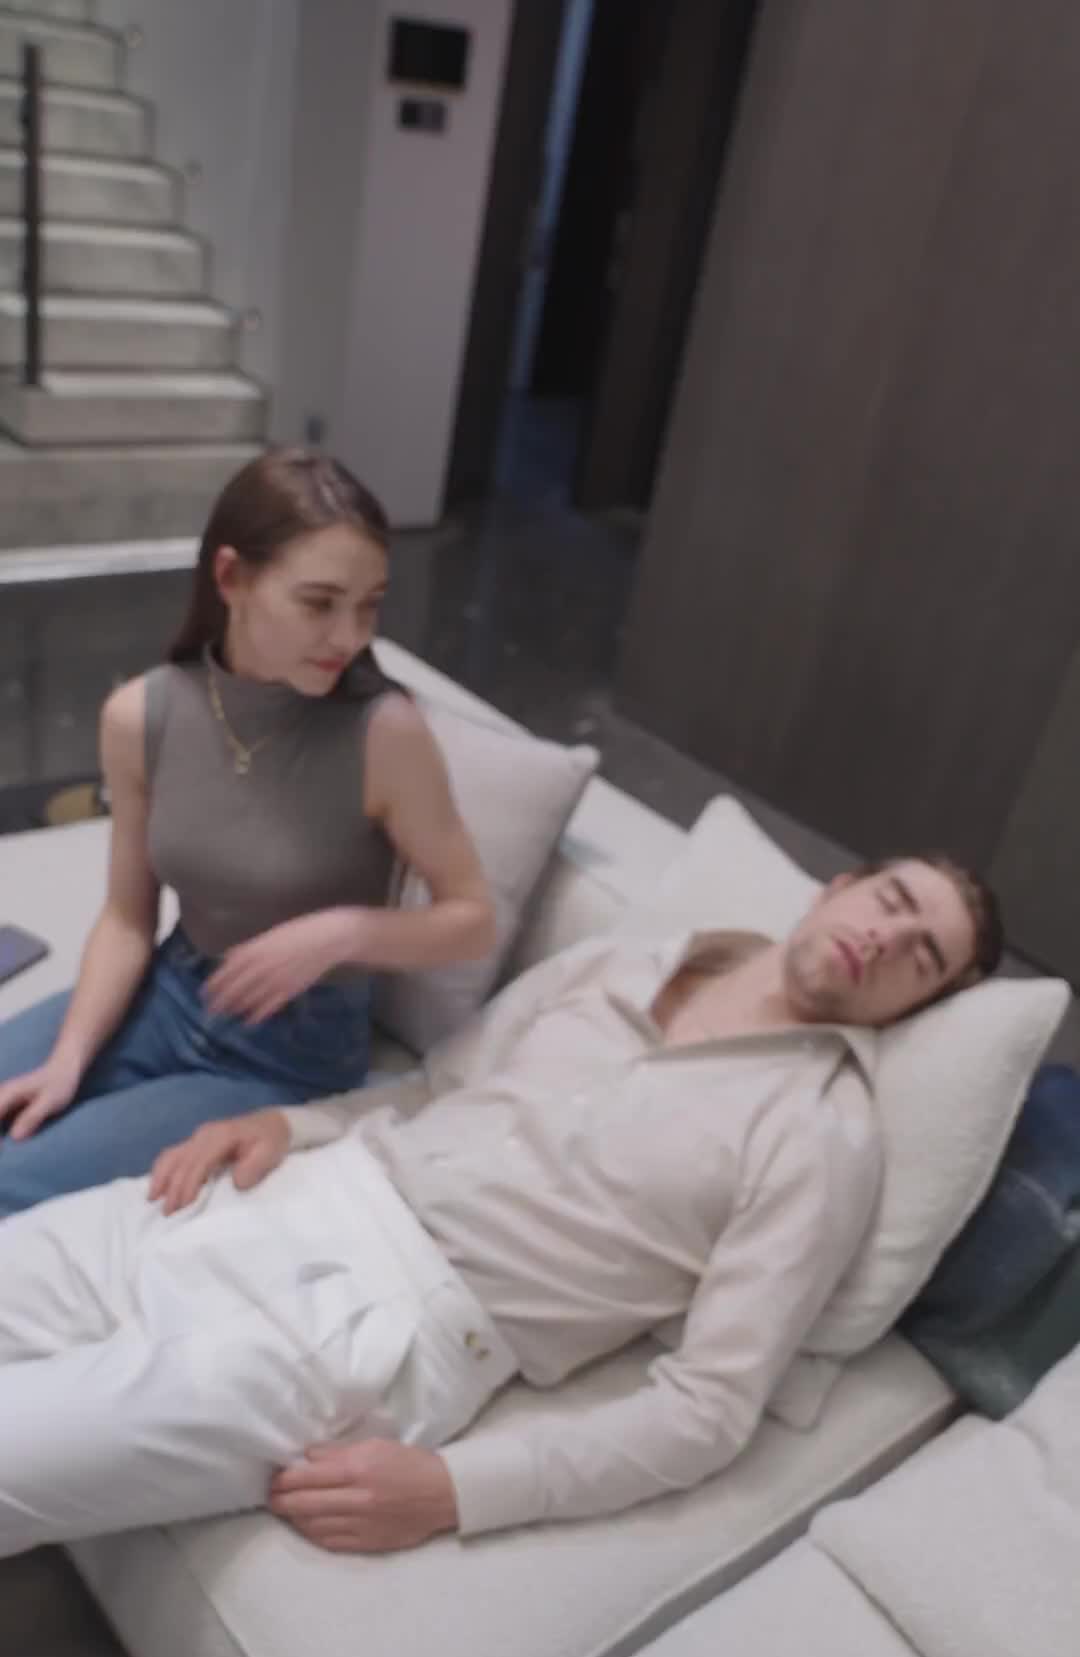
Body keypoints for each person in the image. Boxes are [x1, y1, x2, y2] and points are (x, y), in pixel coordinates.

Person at [0, 853, 1003, 1561]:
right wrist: (286, 1125)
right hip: (285, 1188)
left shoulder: (824, 1140)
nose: (886, 937)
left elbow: (708, 1410)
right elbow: (434, 1090)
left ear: (913, 1009)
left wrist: (459, 1492)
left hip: (366, 1331)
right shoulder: (617, 964)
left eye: (921, 957)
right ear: (837, 888)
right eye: (891, 900)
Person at [0, 448, 494, 1216]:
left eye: (369, 605)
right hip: (167, 992)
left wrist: (343, 932)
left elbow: (474, 921)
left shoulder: (384, 733)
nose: (349, 636)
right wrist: (70, 1060)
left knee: (9, 1178)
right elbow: (128, 918)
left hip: (284, 1054)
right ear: (230, 578)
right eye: (319, 603)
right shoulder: (142, 715)